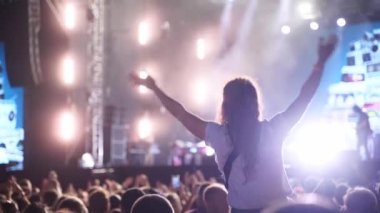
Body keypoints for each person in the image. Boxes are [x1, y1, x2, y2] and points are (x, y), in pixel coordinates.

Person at [130, 35, 337, 212]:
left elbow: (180, 113)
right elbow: (304, 98)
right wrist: (320, 63)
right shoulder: (273, 130)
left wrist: (155, 88)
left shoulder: (218, 136)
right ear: (255, 104)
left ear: (225, 106)